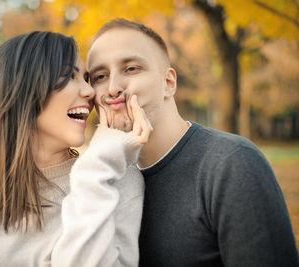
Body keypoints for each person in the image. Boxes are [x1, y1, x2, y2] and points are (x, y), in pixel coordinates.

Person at [87, 18, 299, 266]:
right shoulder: (105, 181)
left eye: (131, 68)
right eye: (100, 76)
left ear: (168, 83)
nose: (112, 87)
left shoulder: (231, 163)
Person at [0, 31, 152, 267]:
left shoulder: (119, 181)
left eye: (86, 79)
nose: (90, 92)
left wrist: (96, 171)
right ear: (22, 89)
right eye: (69, 76)